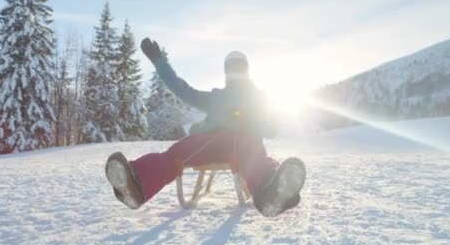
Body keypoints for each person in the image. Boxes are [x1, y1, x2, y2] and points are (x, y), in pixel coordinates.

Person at [105, 38, 305, 217]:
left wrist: (257, 121)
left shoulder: (257, 99)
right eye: (232, 67)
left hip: (242, 143)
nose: (235, 71)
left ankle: (273, 191)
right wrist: (159, 62)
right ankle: (136, 184)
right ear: (228, 71)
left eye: (238, 67)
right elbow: (181, 89)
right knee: (177, 153)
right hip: (213, 142)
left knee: (254, 159)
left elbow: (272, 129)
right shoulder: (218, 97)